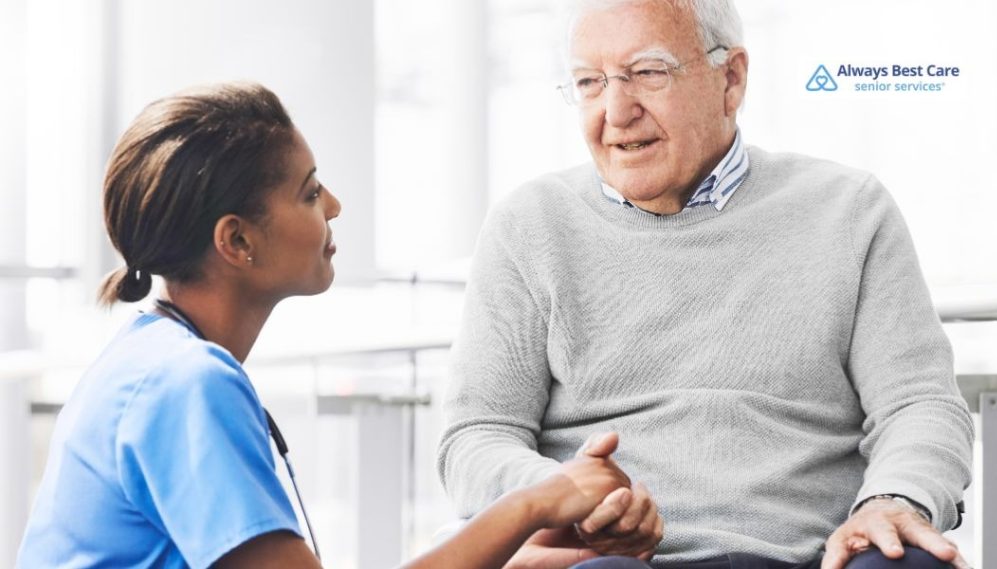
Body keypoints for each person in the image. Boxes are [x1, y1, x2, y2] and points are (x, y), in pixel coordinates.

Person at [436, 1, 974, 568]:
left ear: (731, 78)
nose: (616, 111)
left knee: (903, 559)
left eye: (647, 73)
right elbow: (477, 435)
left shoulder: (849, 209)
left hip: (817, 557)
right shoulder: (530, 224)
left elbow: (919, 404)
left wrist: (894, 500)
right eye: (590, 82)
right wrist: (560, 496)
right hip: (611, 560)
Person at [16, 82, 635, 569]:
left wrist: (502, 548)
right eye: (310, 194)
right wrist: (535, 500)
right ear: (236, 239)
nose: (334, 206)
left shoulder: (150, 361)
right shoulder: (184, 384)